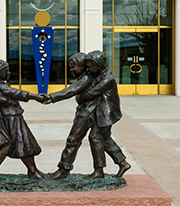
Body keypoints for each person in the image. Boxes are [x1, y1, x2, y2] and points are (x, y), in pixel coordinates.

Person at [0, 59, 46, 179]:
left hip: (13, 116)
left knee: (23, 143)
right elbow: (16, 93)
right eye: (6, 70)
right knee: (21, 142)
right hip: (10, 118)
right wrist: (35, 96)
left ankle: (32, 170)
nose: (9, 73)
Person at [42, 52, 99, 179]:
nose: (72, 70)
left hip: (87, 112)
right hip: (87, 110)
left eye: (74, 67)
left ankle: (64, 169)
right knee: (104, 140)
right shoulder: (85, 77)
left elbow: (70, 91)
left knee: (73, 139)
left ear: (83, 66)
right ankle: (122, 162)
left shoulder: (86, 78)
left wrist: (51, 97)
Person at [79, 50, 130, 178]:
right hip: (102, 113)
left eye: (90, 66)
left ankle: (99, 170)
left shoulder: (108, 79)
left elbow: (91, 93)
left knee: (95, 137)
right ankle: (122, 162)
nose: (88, 69)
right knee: (106, 139)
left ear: (98, 65)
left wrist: (80, 97)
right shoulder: (100, 74)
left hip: (107, 114)